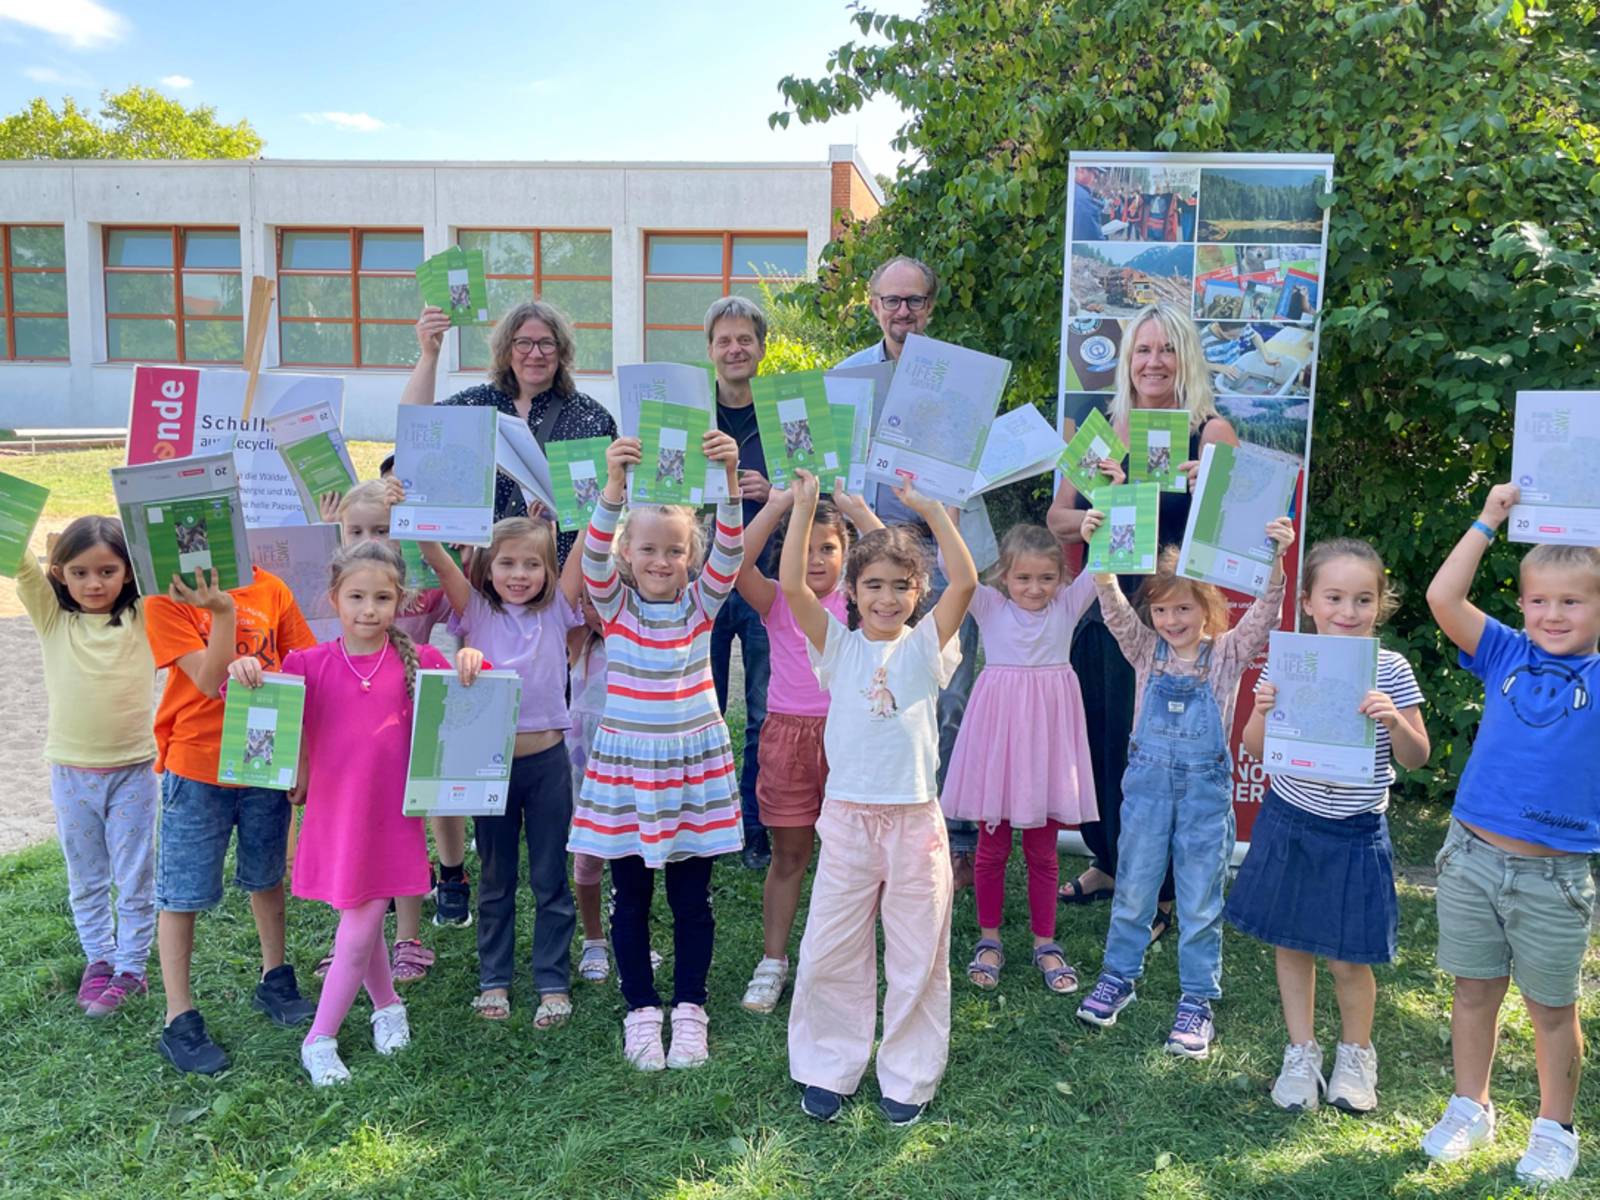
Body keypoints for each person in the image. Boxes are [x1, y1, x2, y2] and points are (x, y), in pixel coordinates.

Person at [225, 541, 485, 1085]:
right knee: (358, 922)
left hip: (391, 820)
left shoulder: (421, 663)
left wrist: (470, 660)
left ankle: (319, 1036)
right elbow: (250, 700)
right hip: (334, 819)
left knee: (361, 923)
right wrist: (246, 667)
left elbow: (472, 698)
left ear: (401, 602)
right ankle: (387, 1005)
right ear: (334, 599)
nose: (369, 609)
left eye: (382, 598)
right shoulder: (307, 664)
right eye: (357, 597)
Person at [1418, 486, 1600, 1186]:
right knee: (1473, 992)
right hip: (1470, 857)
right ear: (1522, 603)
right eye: (1540, 600)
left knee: (1552, 1007)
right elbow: (1442, 598)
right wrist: (1488, 519)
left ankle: (1556, 1126)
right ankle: (1471, 1106)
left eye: (1573, 601)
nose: (1553, 614)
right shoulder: (1503, 651)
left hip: (1554, 876)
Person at [785, 468, 975, 1129]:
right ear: (852, 591)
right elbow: (788, 586)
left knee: (919, 951)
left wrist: (929, 509)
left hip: (914, 820)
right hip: (846, 820)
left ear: (918, 592)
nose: (887, 597)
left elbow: (969, 582)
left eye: (901, 586)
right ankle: (828, 1065)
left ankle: (909, 1073)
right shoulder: (836, 647)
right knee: (830, 945)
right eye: (874, 585)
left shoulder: (928, 648)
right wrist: (807, 508)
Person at [1047, 301, 1241, 940]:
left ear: (1185, 359)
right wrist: (1097, 511)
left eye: (1165, 350)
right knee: (1103, 738)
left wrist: (1206, 487)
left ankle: (1159, 890)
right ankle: (1109, 858)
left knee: (1162, 753)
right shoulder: (1103, 428)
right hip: (1107, 607)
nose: (1153, 362)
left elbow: (1235, 533)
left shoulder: (1211, 432)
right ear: (1126, 361)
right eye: (1142, 350)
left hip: (1175, 619)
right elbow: (1057, 520)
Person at [1075, 524, 1295, 1059]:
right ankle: (1117, 977)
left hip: (1203, 797)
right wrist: (1100, 552)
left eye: (1184, 611)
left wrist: (1277, 559)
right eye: (1162, 611)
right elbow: (1112, 607)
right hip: (1147, 792)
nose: (1172, 621)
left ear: (1208, 610)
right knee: (1133, 888)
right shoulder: (1142, 651)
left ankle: (1196, 1001)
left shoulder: (1227, 654)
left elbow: (1266, 612)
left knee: (1199, 901)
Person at [1225, 539, 1430, 1114]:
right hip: (1291, 821)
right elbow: (1255, 749)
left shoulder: (1391, 668)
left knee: (1349, 957)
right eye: (1334, 596)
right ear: (1309, 602)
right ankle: (1301, 1053)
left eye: (1363, 598)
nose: (1348, 610)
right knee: (1292, 945)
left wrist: (1392, 719)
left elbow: (1417, 757)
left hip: (1356, 829)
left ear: (1380, 603)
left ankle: (1356, 1055)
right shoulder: (1290, 662)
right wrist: (1263, 711)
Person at [569, 430, 745, 1070]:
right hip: (629, 770)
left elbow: (732, 548)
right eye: (647, 549)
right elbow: (591, 560)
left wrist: (728, 480)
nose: (661, 561)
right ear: (629, 554)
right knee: (632, 893)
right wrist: (614, 488)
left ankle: (690, 1008)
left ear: (689, 556)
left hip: (691, 767)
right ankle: (641, 1009)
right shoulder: (616, 610)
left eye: (674, 550)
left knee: (692, 896)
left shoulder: (701, 607)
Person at [835, 254, 996, 890]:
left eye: (915, 301)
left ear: (931, 307)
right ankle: (867, 829)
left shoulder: (965, 377)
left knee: (950, 701)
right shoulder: (847, 378)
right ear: (873, 304)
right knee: (875, 696)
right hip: (878, 559)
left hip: (950, 549)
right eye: (891, 300)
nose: (903, 312)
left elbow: (986, 458)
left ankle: (950, 837)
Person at [144, 562, 318, 1075]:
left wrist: (301, 757)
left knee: (267, 875)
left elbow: (303, 666)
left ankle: (275, 978)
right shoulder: (164, 597)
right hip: (196, 767)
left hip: (265, 761)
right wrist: (220, 612)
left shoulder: (271, 586)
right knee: (182, 893)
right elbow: (204, 679)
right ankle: (180, 1016)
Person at [420, 513, 585, 1028]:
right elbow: (434, 554)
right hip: (488, 766)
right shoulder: (476, 612)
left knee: (549, 876)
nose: (519, 574)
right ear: (487, 568)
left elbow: (591, 542)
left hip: (548, 765)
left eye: (532, 564)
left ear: (550, 572)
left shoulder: (560, 607)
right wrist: (415, 506)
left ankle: (552, 979)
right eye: (507, 563)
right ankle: (495, 978)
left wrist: (607, 494)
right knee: (495, 877)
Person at [732, 482, 882, 1015]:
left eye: (829, 548)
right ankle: (773, 961)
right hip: (787, 739)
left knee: (853, 860)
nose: (817, 559)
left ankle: (842, 965)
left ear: (848, 557)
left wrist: (858, 511)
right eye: (806, 547)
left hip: (852, 740)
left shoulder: (864, 602)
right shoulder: (776, 599)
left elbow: (899, 565)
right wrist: (775, 507)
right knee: (790, 855)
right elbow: (732, 564)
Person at [943, 521, 1104, 996]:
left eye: (1046, 579)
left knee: (1042, 849)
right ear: (1004, 579)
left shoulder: (1069, 606)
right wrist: (944, 511)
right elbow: (955, 569)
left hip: (1048, 745)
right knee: (992, 848)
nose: (1035, 589)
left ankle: (1045, 941)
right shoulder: (988, 606)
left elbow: (1106, 565)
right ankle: (988, 939)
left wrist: (1102, 521)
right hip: (1001, 744)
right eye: (1024, 579)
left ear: (1061, 578)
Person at [322, 478, 469, 975]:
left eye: (382, 529)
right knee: (353, 826)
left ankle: (409, 935)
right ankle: (349, 939)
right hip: (350, 729)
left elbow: (465, 608)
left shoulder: (420, 589)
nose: (370, 539)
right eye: (356, 529)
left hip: (408, 720)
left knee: (407, 825)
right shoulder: (339, 585)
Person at [18, 517, 156, 1018]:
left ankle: (132, 968)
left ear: (129, 571)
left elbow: (169, 567)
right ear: (59, 573)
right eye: (79, 572)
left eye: (107, 570)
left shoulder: (145, 614)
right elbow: (17, 561)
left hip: (133, 772)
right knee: (87, 875)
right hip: (71, 773)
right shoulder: (54, 619)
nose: (93, 584)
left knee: (135, 874)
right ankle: (100, 958)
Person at [402, 299, 617, 562]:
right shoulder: (478, 405)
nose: (536, 354)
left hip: (561, 577)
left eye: (547, 343)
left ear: (561, 352)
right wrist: (429, 355)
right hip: (486, 571)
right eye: (523, 343)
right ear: (506, 350)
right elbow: (414, 430)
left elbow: (607, 507)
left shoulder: (591, 418)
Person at [704, 295, 777, 870]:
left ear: (761, 347)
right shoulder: (686, 412)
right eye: (724, 340)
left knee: (762, 710)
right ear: (710, 351)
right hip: (696, 581)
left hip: (765, 580)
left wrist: (769, 488)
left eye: (745, 339)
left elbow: (819, 484)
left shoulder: (784, 413)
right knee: (697, 710)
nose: (735, 349)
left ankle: (755, 825)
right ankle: (705, 821)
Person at [1071, 166, 1108, 240]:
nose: (1095, 180)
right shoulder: (1083, 200)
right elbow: (1093, 239)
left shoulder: (1074, 190)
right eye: (1095, 175)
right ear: (1081, 169)